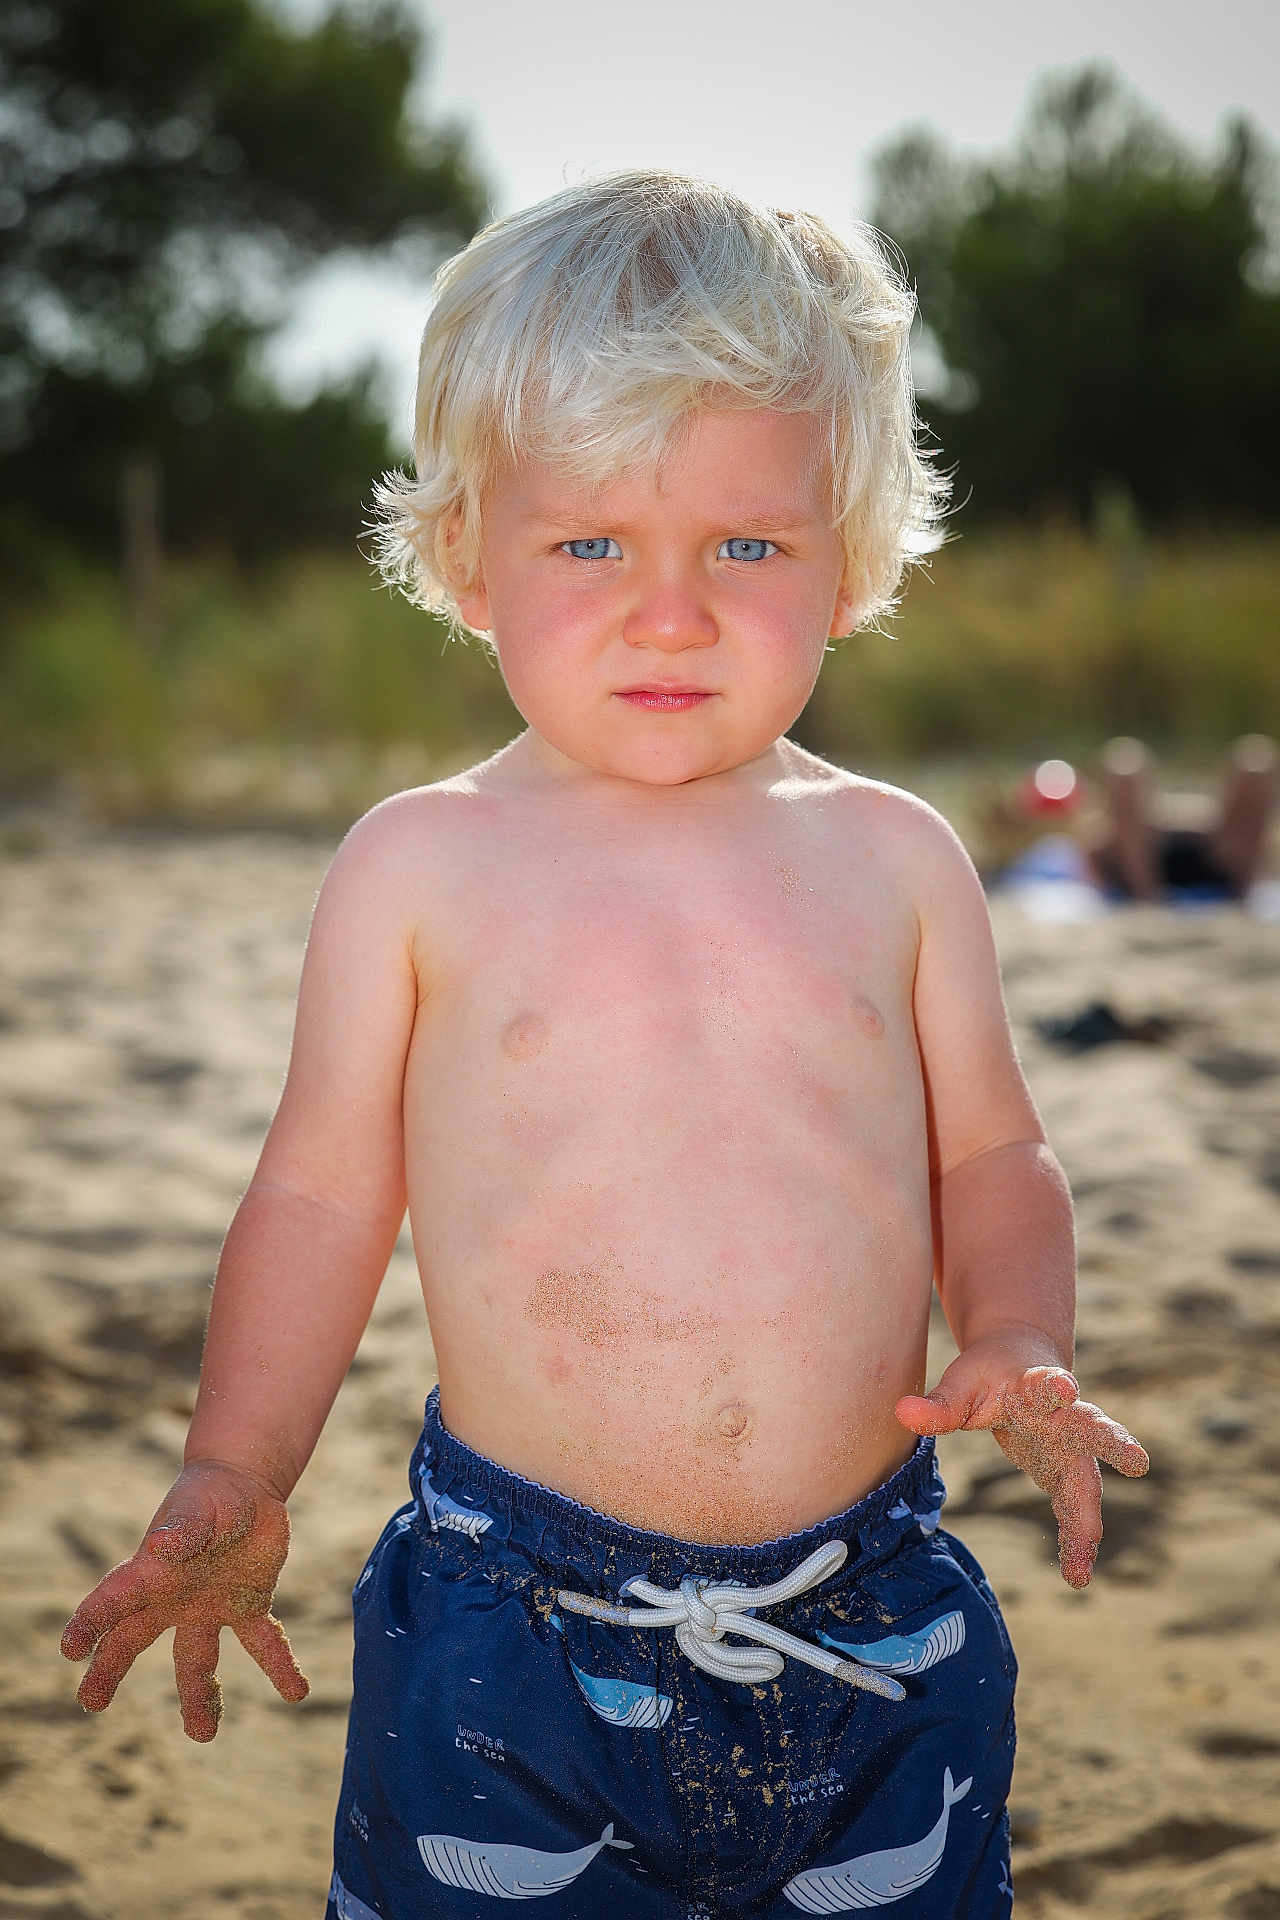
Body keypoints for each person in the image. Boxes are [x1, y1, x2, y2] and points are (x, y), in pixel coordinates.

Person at [60, 172, 1149, 1919]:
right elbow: (325, 1198)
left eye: (744, 543)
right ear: (470, 559)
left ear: (849, 556)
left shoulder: (895, 859)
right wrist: (236, 1466)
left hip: (872, 1601)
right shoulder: (422, 865)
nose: (670, 608)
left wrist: (1019, 1327)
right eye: (591, 543)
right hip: (516, 1627)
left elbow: (986, 1156)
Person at [1087, 734, 1276, 903]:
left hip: (1224, 865)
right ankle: (1147, 898)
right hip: (1141, 871)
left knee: (1255, 768)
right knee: (1125, 770)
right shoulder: (1100, 845)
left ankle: (1240, 895)